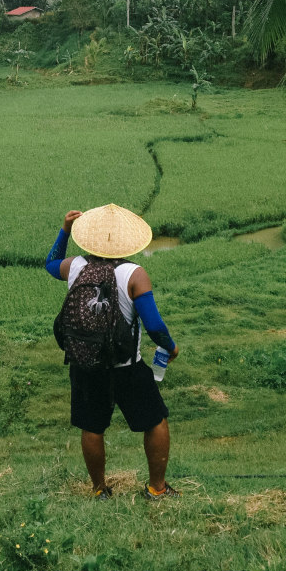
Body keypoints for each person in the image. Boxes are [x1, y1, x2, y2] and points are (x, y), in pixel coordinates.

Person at [45, 204, 180, 500]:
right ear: (129, 242)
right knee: (155, 420)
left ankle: (99, 489)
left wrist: (64, 230)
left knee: (92, 426)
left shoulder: (75, 266)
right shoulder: (134, 273)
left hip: (85, 363)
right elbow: (154, 325)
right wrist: (170, 347)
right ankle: (156, 488)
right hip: (126, 365)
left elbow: (50, 263)